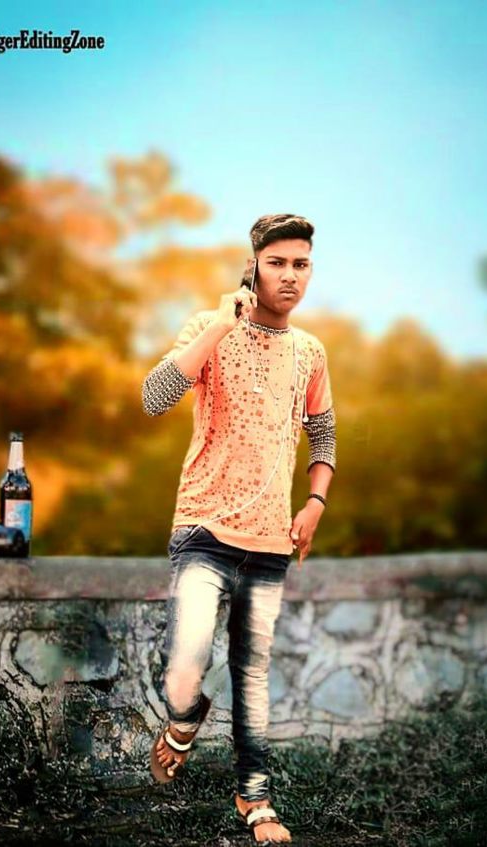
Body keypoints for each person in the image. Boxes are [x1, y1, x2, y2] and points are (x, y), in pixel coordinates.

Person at [141, 213, 336, 844]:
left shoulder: (310, 352)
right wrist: (222, 325)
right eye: (277, 263)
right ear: (253, 266)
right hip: (203, 527)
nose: (289, 276)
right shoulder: (209, 326)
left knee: (252, 674)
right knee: (186, 665)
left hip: (270, 541)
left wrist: (314, 502)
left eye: (300, 264)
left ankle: (254, 797)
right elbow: (153, 398)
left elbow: (324, 434)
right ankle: (184, 718)